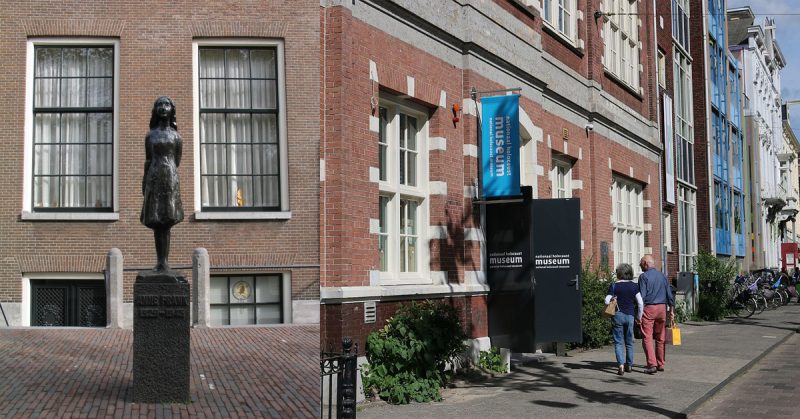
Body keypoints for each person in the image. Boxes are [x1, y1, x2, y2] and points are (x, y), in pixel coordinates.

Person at [141, 96, 184, 272]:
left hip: (170, 179)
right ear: (155, 110)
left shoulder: (176, 137)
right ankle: (159, 261)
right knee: (156, 221)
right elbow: (148, 160)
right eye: (160, 105)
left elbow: (177, 160)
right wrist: (144, 182)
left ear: (172, 110)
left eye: (166, 104)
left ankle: (164, 262)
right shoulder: (150, 136)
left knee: (166, 221)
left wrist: (169, 175)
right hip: (154, 178)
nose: (163, 108)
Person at [637, 255, 675, 374]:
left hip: (649, 308)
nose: (640, 266)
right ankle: (661, 364)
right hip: (662, 308)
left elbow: (641, 297)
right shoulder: (663, 276)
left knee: (647, 337)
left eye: (641, 264)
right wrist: (672, 310)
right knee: (660, 337)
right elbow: (670, 294)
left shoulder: (643, 277)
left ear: (645, 264)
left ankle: (652, 364)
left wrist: (638, 314)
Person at [605, 263, 644, 376]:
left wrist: (613, 298)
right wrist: (639, 317)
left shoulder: (614, 286)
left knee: (618, 342)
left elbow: (606, 301)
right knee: (629, 342)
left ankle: (621, 366)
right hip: (630, 316)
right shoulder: (634, 286)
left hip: (617, 315)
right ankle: (629, 365)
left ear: (619, 273)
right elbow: (640, 303)